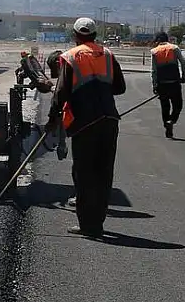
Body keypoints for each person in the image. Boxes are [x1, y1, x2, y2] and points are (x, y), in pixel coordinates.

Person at [47, 17, 126, 238]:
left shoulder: (70, 57)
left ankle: (86, 225)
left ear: (75, 35)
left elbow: (60, 93)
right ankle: (97, 224)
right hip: (109, 121)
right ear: (94, 35)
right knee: (103, 174)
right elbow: (120, 88)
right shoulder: (108, 55)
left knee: (84, 175)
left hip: (84, 125)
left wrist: (52, 119)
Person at [150, 31, 185, 138]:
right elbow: (183, 62)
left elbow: (154, 71)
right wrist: (184, 76)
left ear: (158, 40)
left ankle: (167, 125)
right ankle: (172, 120)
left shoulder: (154, 51)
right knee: (178, 105)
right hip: (175, 83)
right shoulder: (174, 48)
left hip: (162, 84)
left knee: (165, 107)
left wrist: (154, 85)